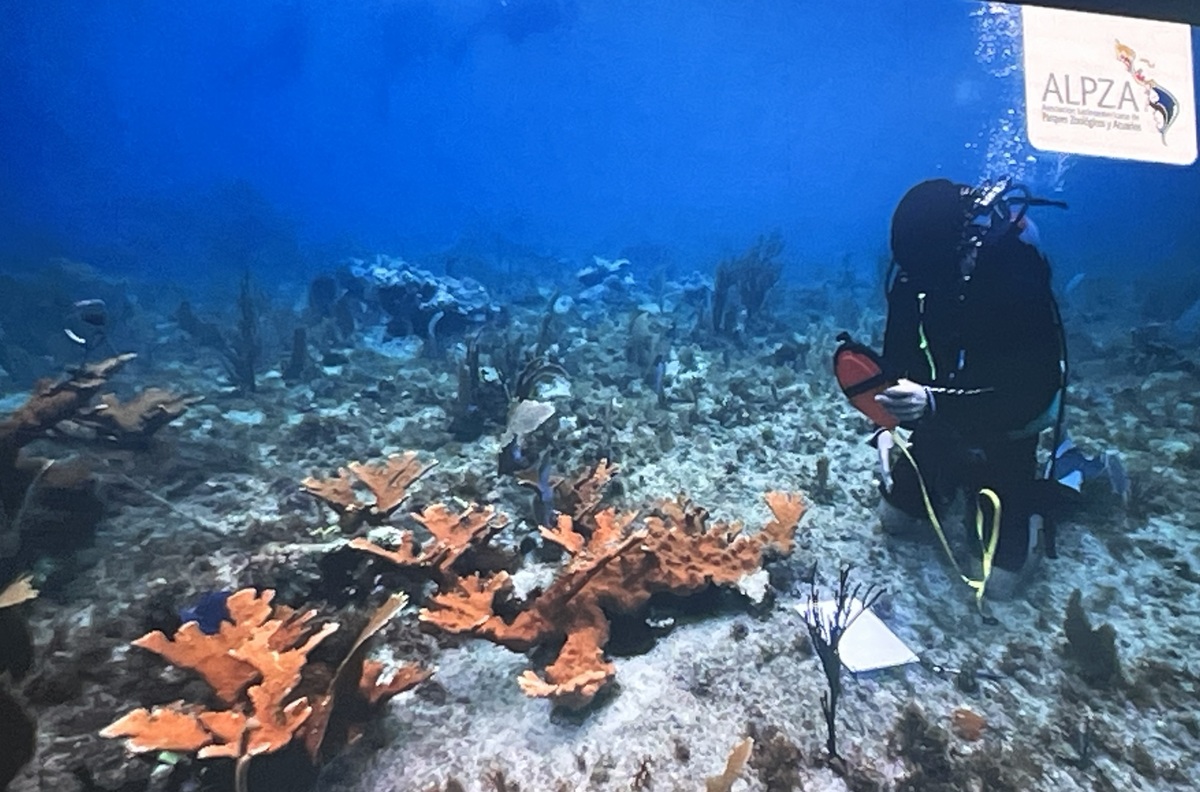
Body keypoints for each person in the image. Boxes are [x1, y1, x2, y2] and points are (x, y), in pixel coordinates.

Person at [873, 178, 1066, 600]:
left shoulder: (1014, 278)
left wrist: (933, 402)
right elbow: (897, 362)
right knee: (894, 521)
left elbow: (1031, 394)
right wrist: (885, 421)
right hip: (940, 423)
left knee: (998, 585)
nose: (922, 281)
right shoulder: (914, 279)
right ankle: (952, 479)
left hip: (1007, 430)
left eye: (929, 270)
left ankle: (1032, 505)